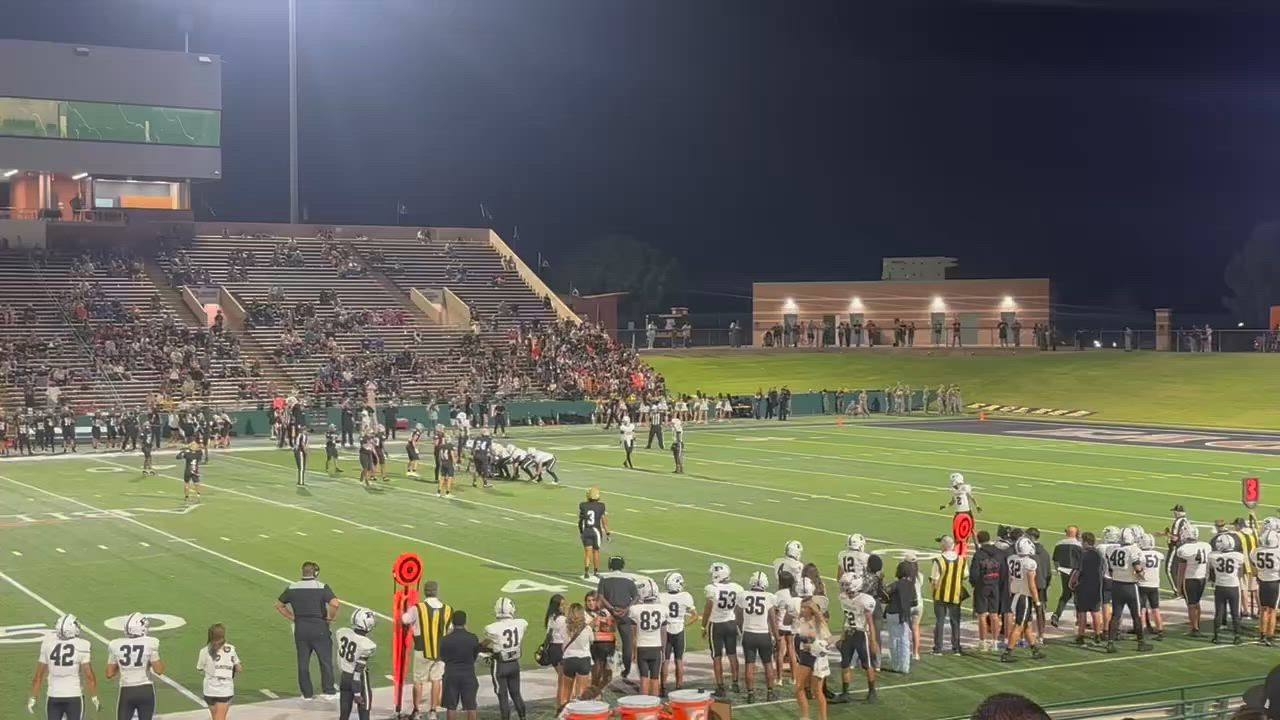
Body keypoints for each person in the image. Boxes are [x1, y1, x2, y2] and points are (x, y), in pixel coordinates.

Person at [275, 561, 340, 699]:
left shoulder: (292, 587)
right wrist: (330, 618)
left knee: (303, 662)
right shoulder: (321, 587)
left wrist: (292, 617)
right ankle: (328, 691)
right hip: (319, 627)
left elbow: (279, 605)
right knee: (325, 660)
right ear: (316, 573)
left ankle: (307, 694)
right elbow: (335, 603)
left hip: (301, 628)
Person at [29, 615, 98, 720]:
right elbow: (89, 676)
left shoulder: (47, 645)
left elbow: (38, 677)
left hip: (53, 696)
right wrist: (94, 696)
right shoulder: (83, 645)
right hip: (74, 695)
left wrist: (33, 697)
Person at [402, 580, 452, 720]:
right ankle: (433, 711)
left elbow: (405, 620)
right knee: (436, 680)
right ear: (437, 591)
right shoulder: (447, 609)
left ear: (425, 592)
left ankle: (417, 711)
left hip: (421, 649)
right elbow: (450, 629)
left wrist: (404, 609)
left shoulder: (418, 608)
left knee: (419, 681)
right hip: (440, 651)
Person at [106, 613, 164, 720]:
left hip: (127, 690)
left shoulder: (115, 645)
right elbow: (159, 670)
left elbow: (109, 673)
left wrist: (122, 663)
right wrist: (148, 661)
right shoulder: (151, 643)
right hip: (145, 690)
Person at [1105, 526, 1151, 653]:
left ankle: (1110, 643)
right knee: (1136, 615)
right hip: (1130, 586)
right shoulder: (1134, 550)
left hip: (1116, 585)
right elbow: (1137, 567)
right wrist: (1142, 574)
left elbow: (1110, 569)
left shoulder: (1111, 550)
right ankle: (1141, 642)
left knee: (1115, 615)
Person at [702, 561, 743, 698]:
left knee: (717, 657)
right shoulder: (737, 588)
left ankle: (720, 686)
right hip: (731, 623)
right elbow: (739, 609)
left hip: (717, 625)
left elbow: (708, 608)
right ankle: (735, 682)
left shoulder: (712, 588)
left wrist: (703, 626)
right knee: (732, 654)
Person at [1002, 536, 1045, 662]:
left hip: (1015, 594)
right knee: (1020, 625)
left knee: (1027, 625)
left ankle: (1034, 649)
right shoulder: (1030, 563)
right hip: (1024, 597)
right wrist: (1037, 601)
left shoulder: (1012, 559)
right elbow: (1032, 585)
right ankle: (1007, 652)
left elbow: (1011, 578)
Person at [596, 556, 639, 681]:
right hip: (625, 615)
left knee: (606, 642)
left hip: (609, 615)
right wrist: (625, 609)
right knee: (627, 643)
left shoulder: (604, 579)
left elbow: (601, 596)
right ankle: (626, 670)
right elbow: (636, 597)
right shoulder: (629, 579)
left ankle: (605, 668)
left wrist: (611, 608)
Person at [484, 598, 528, 720]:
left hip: (500, 665)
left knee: (502, 696)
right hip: (514, 664)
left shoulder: (492, 628)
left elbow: (487, 643)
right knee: (516, 694)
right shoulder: (521, 623)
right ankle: (523, 717)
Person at [738, 570, 777, 703]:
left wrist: (741, 629)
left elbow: (738, 615)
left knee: (749, 664)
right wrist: (777, 637)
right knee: (768, 664)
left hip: (748, 634)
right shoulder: (769, 597)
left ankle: (751, 694)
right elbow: (773, 620)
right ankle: (770, 692)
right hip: (763, 634)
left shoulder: (743, 595)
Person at [658, 572, 696, 694]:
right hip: (679, 629)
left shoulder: (661, 597)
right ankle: (679, 685)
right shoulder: (685, 596)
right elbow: (694, 616)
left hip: (666, 631)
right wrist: (684, 624)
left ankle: (662, 687)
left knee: (665, 660)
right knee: (679, 659)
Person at [336, 609, 378, 720]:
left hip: (344, 676)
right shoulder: (368, 645)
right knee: (365, 711)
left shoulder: (342, 632)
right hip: (358, 680)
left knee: (344, 714)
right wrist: (357, 693)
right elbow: (358, 671)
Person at [792, 599, 830, 720]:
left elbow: (828, 641)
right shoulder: (801, 621)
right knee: (799, 687)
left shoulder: (818, 622)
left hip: (818, 658)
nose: (802, 610)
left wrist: (818, 645)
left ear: (811, 610)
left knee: (817, 691)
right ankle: (805, 717)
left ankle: (823, 718)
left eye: (805, 608)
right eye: (801, 607)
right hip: (805, 656)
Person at [629, 578, 668, 697]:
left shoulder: (635, 609)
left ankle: (644, 706)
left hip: (642, 647)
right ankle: (655, 707)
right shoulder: (663, 609)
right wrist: (664, 651)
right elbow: (664, 634)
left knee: (643, 678)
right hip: (656, 647)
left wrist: (634, 653)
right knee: (655, 678)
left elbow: (634, 636)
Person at [439, 612, 481, 720]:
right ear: (465, 622)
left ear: (452, 622)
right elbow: (474, 656)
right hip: (468, 674)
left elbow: (442, 657)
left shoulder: (445, 639)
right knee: (471, 705)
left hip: (451, 674)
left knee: (451, 706)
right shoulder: (473, 638)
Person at [929, 536, 965, 655]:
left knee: (940, 621)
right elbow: (965, 575)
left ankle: (938, 648)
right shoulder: (961, 560)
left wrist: (934, 593)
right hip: (955, 594)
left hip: (940, 594)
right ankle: (956, 648)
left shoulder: (938, 560)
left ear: (943, 546)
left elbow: (934, 579)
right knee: (955, 622)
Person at [196, 624, 240, 720]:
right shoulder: (231, 649)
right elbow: (238, 668)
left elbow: (199, 668)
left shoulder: (204, 651)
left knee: (216, 717)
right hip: (224, 690)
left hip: (209, 690)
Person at [969, 530, 1004, 652]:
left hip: (982, 586)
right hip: (995, 585)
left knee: (982, 615)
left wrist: (975, 585)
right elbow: (1003, 570)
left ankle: (983, 642)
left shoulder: (979, 554)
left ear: (978, 540)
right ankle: (994, 642)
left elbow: (974, 573)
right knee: (994, 615)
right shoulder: (999, 553)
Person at [1176, 524, 1213, 637]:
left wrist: (1179, 585)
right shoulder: (1205, 546)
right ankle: (1196, 625)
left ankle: (1194, 628)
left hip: (1190, 579)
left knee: (1191, 605)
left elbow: (1181, 569)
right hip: (1202, 578)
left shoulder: (1184, 549)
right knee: (1197, 603)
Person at [1209, 532, 1245, 644]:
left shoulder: (1213, 556)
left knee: (1219, 612)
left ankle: (1216, 636)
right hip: (1233, 586)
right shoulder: (1238, 556)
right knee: (1235, 612)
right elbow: (1240, 571)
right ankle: (1237, 636)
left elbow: (1211, 572)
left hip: (1220, 586)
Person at [1071, 531, 1106, 645]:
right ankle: (1098, 634)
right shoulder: (1099, 554)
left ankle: (1081, 635)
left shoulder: (1083, 554)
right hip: (1096, 585)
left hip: (1083, 585)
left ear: (1085, 542)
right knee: (1095, 611)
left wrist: (1072, 582)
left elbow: (1078, 571)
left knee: (1082, 612)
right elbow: (1103, 569)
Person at [558, 603, 593, 707]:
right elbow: (591, 641)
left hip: (569, 659)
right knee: (582, 693)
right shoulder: (587, 629)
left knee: (565, 692)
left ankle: (563, 713)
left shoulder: (564, 628)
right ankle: (581, 714)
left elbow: (562, 643)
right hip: (584, 659)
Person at [885, 560, 917, 673]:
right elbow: (914, 603)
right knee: (904, 641)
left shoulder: (895, 584)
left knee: (893, 639)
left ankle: (895, 665)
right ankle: (904, 666)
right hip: (904, 615)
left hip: (891, 613)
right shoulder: (911, 585)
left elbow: (884, 593)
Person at [1050, 526, 1082, 627]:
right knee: (1078, 595)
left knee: (1065, 595)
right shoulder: (1079, 545)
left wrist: (1058, 569)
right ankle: (1079, 618)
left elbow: (1055, 560)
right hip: (1076, 572)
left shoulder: (1059, 544)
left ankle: (1056, 615)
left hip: (1064, 571)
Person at [1252, 527, 1280, 645]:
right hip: (1274, 582)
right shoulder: (1277, 551)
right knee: (1272, 610)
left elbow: (1254, 566)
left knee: (1263, 610)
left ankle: (1262, 634)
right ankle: (1270, 635)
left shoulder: (1256, 551)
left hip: (1262, 581)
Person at [1137, 533, 1166, 640]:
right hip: (1154, 585)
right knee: (1155, 608)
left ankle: (1142, 630)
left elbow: (1137, 568)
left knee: (1142, 609)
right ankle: (1160, 630)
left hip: (1142, 584)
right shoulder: (1158, 554)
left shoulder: (1139, 554)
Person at [578, 487, 610, 579]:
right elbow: (604, 521)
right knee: (596, 551)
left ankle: (586, 572)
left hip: (586, 530)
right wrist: (608, 532)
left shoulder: (583, 505)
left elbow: (580, 521)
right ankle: (596, 571)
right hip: (596, 531)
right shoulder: (601, 506)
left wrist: (581, 532)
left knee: (587, 552)